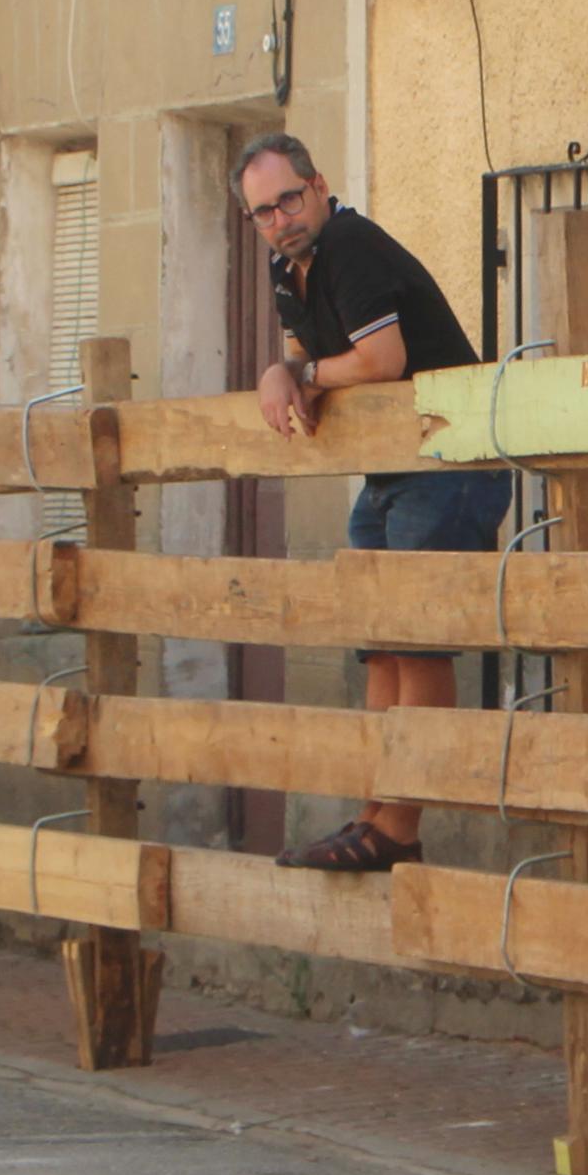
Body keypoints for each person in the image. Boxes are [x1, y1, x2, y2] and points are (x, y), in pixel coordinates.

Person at [237, 131, 506, 871]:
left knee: (415, 641)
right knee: (381, 643)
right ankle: (375, 816)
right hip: (395, 465)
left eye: (289, 199)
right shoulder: (285, 266)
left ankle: (399, 827)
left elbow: (380, 360)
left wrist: (305, 372)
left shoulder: (350, 244)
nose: (280, 218)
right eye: (262, 211)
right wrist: (279, 372)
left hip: (452, 458)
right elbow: (307, 359)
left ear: (318, 185)